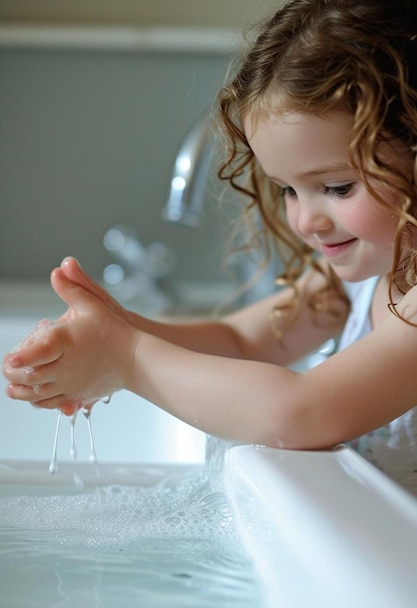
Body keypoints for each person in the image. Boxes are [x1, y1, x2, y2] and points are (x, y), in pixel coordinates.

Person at [3, 0, 417, 495]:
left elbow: (301, 412)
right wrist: (110, 330)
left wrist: (128, 358)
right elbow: (241, 342)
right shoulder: (350, 282)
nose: (306, 220)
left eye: (336, 188)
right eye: (287, 190)